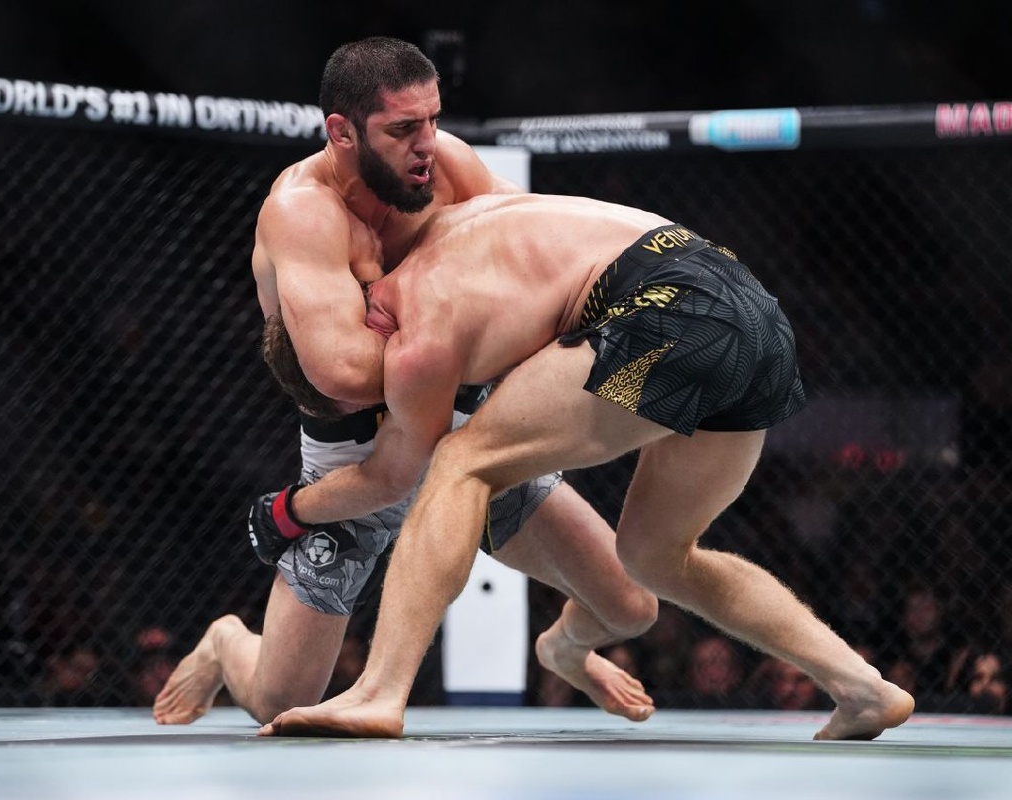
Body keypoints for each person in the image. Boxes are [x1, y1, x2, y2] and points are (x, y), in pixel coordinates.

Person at [255, 191, 916, 741]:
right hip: (757, 318)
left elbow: (400, 474)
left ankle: (379, 692)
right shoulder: (458, 221)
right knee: (657, 557)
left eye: (357, 384)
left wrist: (289, 510)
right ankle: (863, 687)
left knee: (461, 461)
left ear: (363, 318)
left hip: (670, 313)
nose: (375, 392)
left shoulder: (415, 333)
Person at [153, 37, 658, 728]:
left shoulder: (448, 165)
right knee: (280, 702)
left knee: (630, 605)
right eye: (402, 129)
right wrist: (465, 336)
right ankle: (227, 643)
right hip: (355, 454)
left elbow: (548, 265)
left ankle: (564, 651)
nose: (428, 144)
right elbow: (344, 374)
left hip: (465, 434)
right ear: (342, 132)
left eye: (432, 119)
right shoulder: (303, 212)